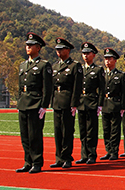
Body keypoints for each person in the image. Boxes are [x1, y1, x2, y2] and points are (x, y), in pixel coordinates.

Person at [16, 32, 52, 174]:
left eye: (31, 45)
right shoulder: (22, 65)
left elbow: (47, 87)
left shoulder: (44, 65)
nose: (28, 47)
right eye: (27, 45)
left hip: (36, 104)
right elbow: (20, 87)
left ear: (38, 47)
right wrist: (19, 102)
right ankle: (27, 161)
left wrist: (44, 105)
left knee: (34, 135)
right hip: (24, 103)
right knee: (24, 135)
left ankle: (37, 162)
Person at [49, 38, 83, 169]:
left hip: (68, 101)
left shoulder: (74, 66)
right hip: (57, 101)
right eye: (57, 49)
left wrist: (74, 104)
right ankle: (59, 158)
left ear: (67, 50)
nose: (58, 51)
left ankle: (67, 157)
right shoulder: (55, 66)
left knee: (67, 130)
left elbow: (77, 86)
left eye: (61, 49)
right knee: (58, 131)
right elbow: (52, 85)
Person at [75, 42, 104, 165]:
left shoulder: (98, 70)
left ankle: (92, 155)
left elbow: (102, 89)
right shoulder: (79, 69)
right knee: (82, 131)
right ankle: (84, 155)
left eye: (88, 53)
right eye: (84, 53)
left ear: (93, 55)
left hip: (92, 102)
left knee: (91, 131)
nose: (86, 56)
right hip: (81, 102)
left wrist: (99, 104)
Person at [100, 48, 125, 161]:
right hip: (105, 104)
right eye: (105, 59)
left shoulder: (120, 75)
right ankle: (108, 150)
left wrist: (123, 107)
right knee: (106, 130)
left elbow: (124, 93)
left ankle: (114, 151)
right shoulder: (101, 74)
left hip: (115, 104)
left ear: (115, 60)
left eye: (109, 59)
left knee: (115, 130)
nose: (107, 61)